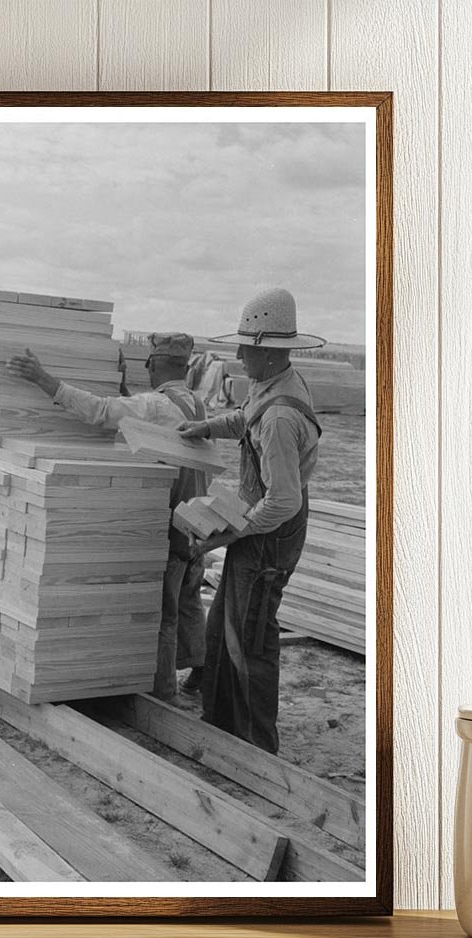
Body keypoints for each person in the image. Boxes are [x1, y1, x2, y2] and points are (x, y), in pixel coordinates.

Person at [8, 332, 208, 699]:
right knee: (189, 599)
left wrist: (44, 380)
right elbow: (144, 415)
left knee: (164, 614)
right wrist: (123, 387)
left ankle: (164, 695)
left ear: (154, 364)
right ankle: (202, 673)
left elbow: (102, 412)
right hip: (197, 522)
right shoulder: (194, 403)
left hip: (169, 523)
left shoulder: (155, 405)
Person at [177, 288, 324, 752]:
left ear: (268, 352)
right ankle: (223, 723)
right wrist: (206, 427)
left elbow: (283, 500)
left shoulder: (281, 417)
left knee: (251, 638)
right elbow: (245, 417)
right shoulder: (275, 383)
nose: (238, 357)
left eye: (245, 349)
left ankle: (258, 745)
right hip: (260, 524)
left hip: (271, 534)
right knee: (224, 625)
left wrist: (226, 535)